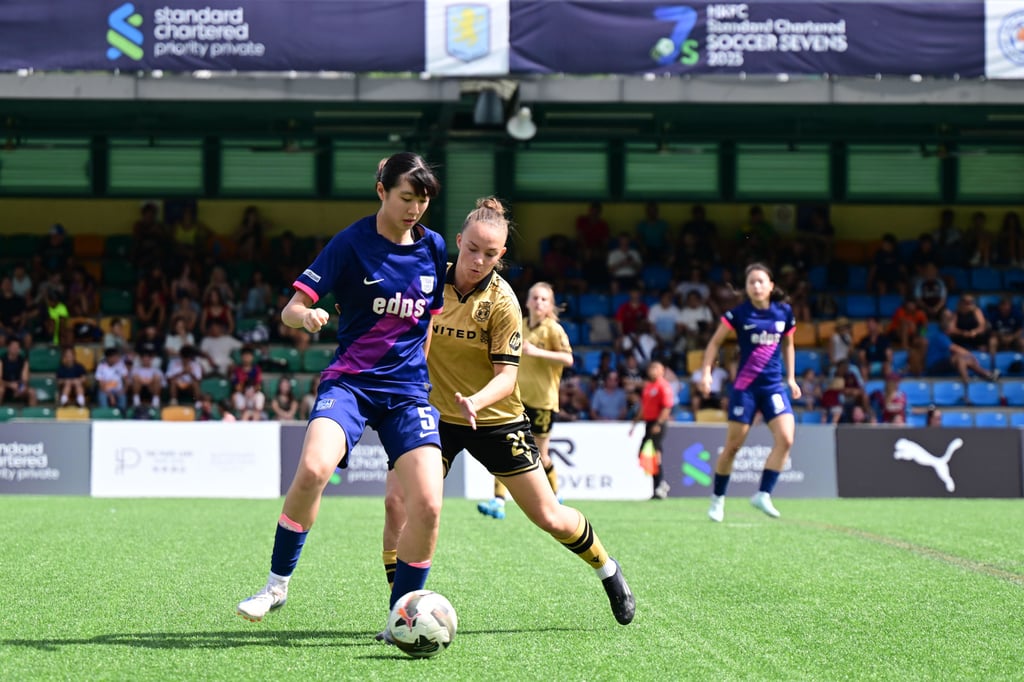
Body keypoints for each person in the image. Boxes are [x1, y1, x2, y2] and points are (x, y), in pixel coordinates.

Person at [381, 196, 635, 631]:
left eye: (491, 254)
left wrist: (474, 402)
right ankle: (400, 611)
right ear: (458, 241)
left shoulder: (504, 303)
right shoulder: (427, 279)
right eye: (472, 249)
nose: (479, 260)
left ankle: (608, 570)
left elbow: (507, 379)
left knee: (548, 515)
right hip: (434, 417)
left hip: (494, 419)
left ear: (501, 257)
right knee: (397, 502)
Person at [236, 152, 448, 630]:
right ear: (381, 191)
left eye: (423, 200)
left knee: (429, 507)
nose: (415, 209)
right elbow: (291, 309)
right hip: (350, 383)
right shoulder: (350, 244)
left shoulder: (434, 247)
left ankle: (403, 617)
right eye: (406, 198)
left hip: (408, 393)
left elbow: (428, 324)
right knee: (312, 468)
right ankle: (275, 586)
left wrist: (421, 377)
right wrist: (307, 316)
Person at [699, 263, 800, 523]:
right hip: (745, 388)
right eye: (751, 282)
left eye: (760, 281)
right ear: (746, 288)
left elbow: (789, 345)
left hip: (773, 387)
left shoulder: (784, 313)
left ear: (771, 286)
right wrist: (707, 373)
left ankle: (763, 494)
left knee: (786, 439)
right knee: (733, 446)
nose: (756, 286)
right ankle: (718, 498)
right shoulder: (738, 314)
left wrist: (791, 378)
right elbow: (714, 343)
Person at [478, 281, 574, 519]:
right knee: (503, 448)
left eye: (544, 299)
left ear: (550, 304)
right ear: (528, 301)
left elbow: (568, 359)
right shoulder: (519, 325)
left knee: (541, 456)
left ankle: (555, 498)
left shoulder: (553, 329)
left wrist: (537, 351)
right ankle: (498, 501)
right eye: (535, 297)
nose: (538, 302)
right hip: (517, 399)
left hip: (543, 402)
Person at [629, 360, 675, 499]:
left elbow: (667, 407)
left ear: (662, 371)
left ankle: (659, 486)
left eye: (656, 368)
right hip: (648, 423)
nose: (652, 370)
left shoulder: (663, 386)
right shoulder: (648, 386)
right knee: (646, 454)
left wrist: (658, 424)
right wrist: (635, 423)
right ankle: (660, 484)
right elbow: (644, 407)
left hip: (657, 423)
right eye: (651, 368)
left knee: (654, 454)